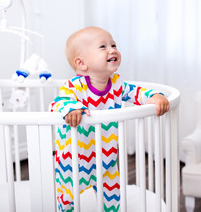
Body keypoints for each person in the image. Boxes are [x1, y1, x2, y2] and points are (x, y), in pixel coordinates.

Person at [50, 26, 169, 212]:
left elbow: (137, 92)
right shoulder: (74, 87)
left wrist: (154, 96)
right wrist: (71, 108)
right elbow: (59, 102)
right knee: (67, 199)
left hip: (107, 157)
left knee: (113, 197)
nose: (112, 49)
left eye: (113, 44)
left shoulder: (117, 84)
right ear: (81, 63)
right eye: (103, 47)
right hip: (73, 158)